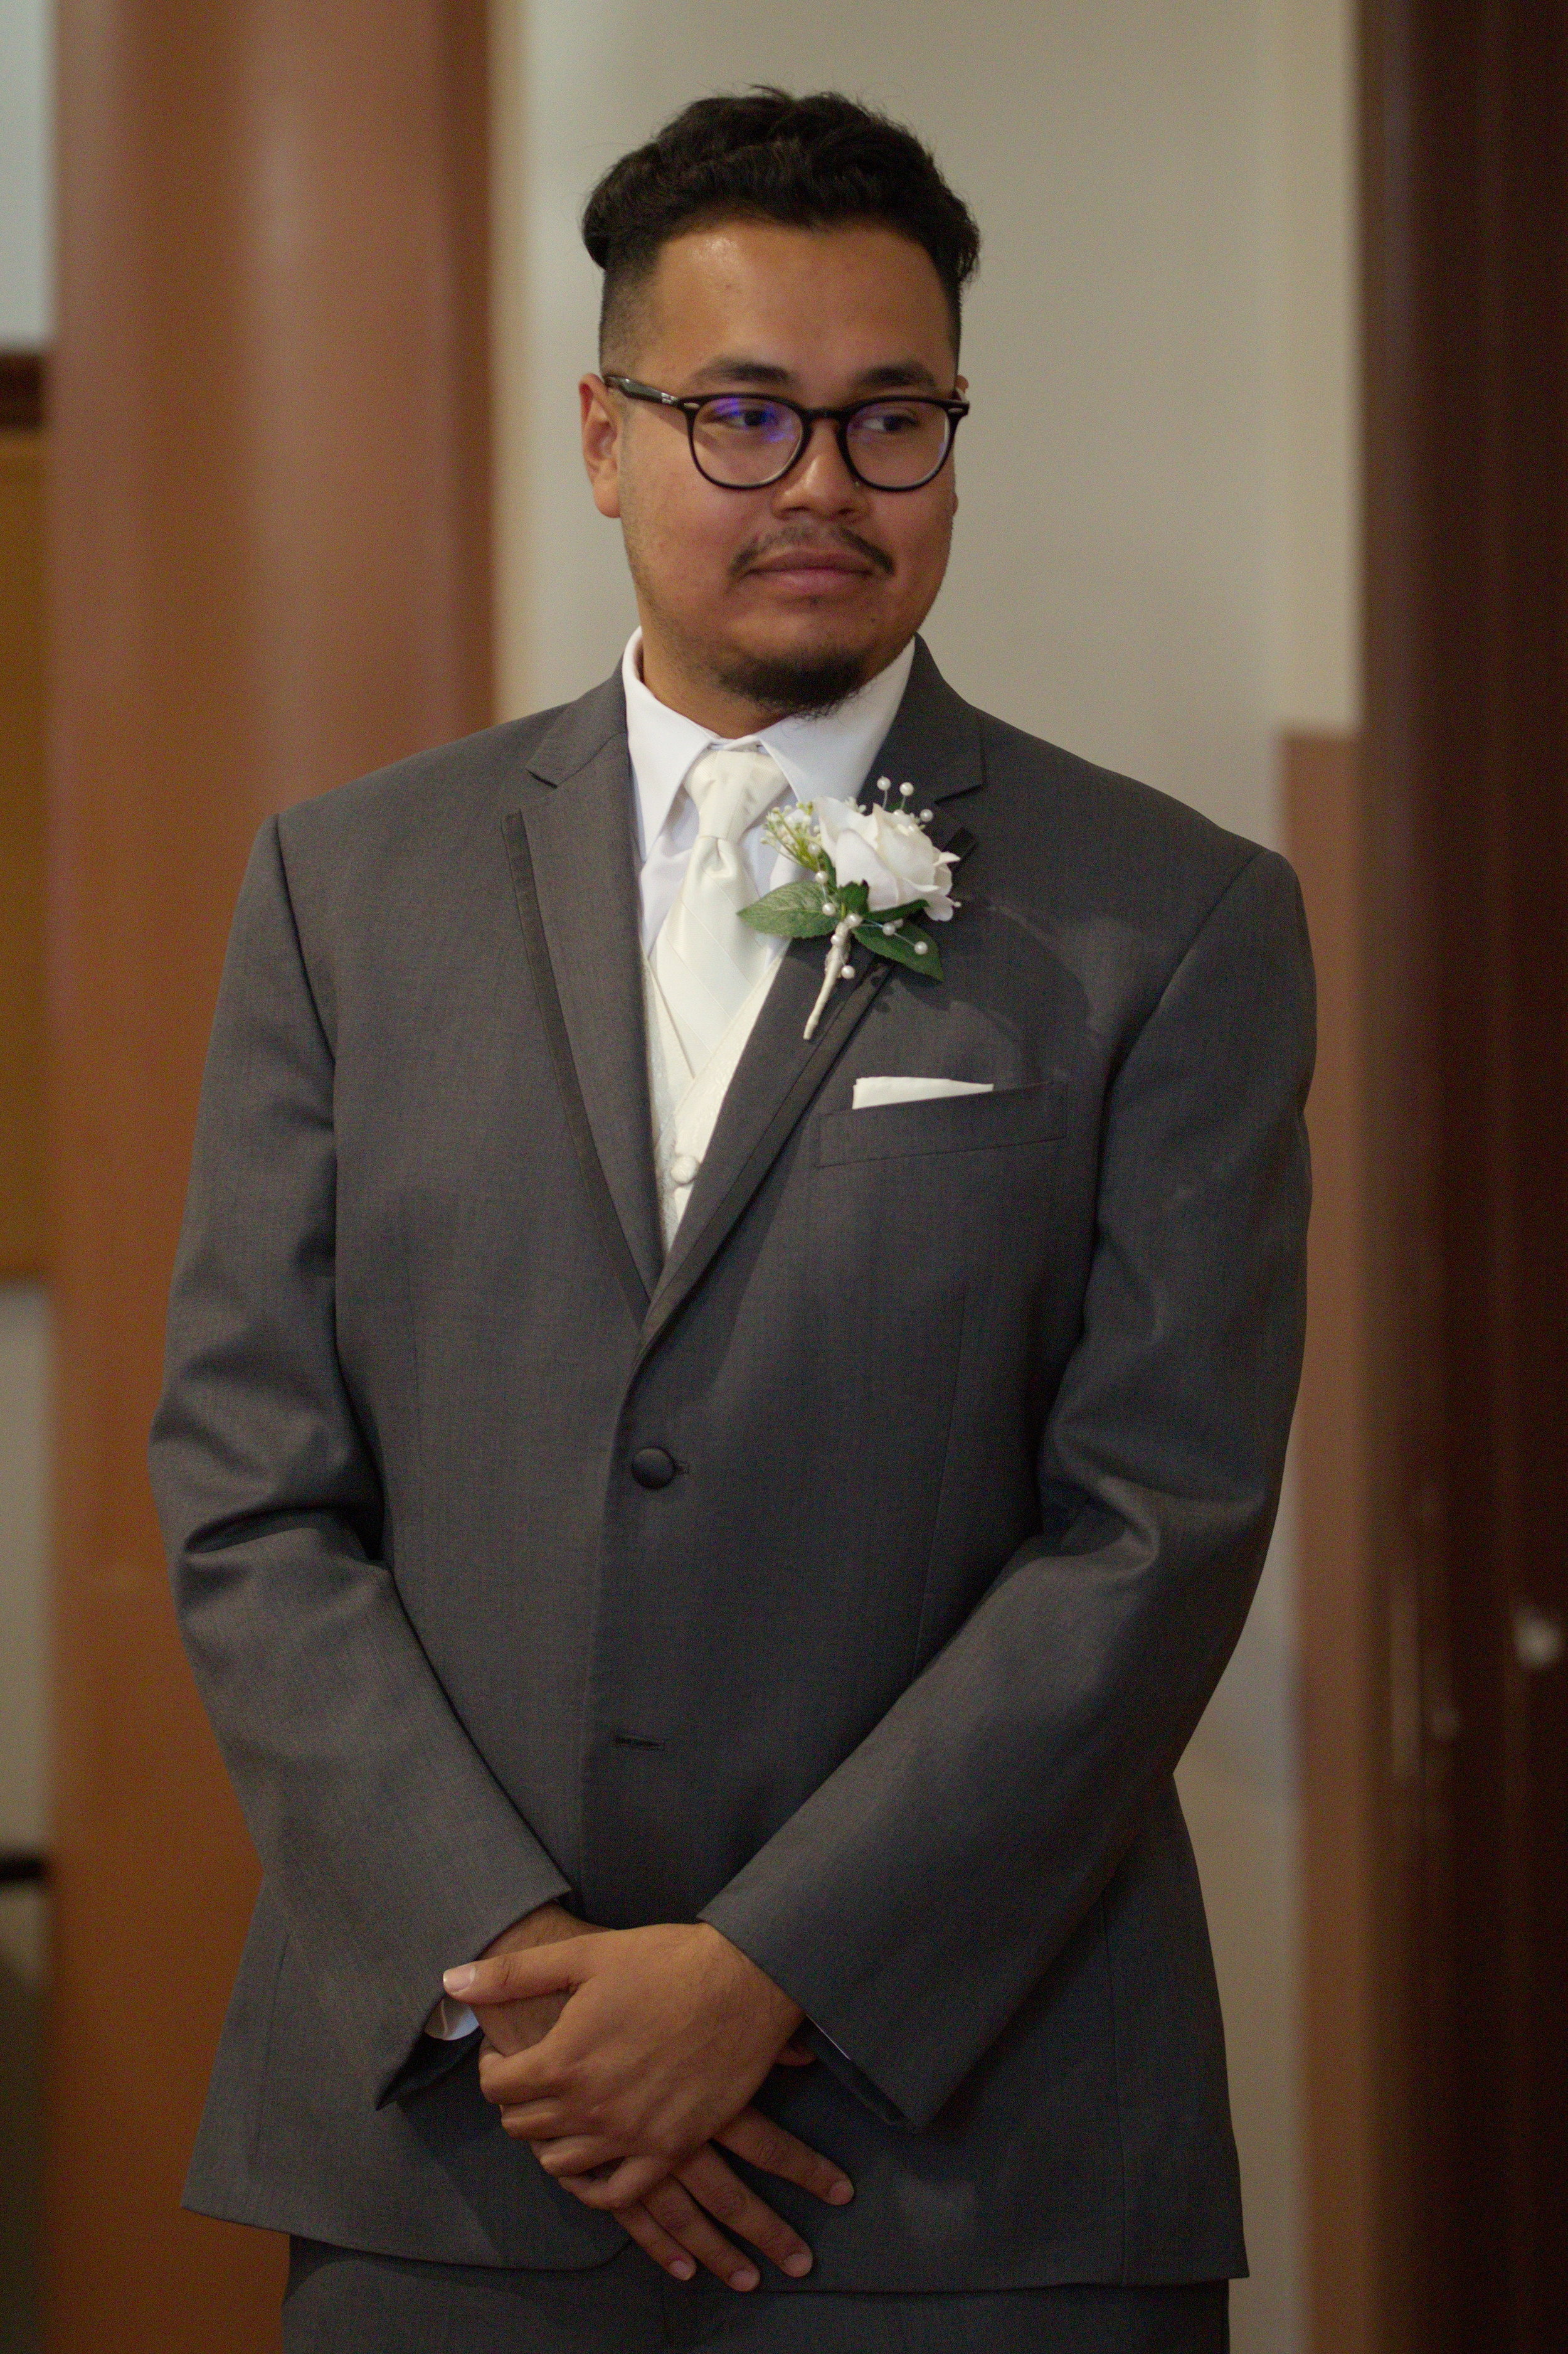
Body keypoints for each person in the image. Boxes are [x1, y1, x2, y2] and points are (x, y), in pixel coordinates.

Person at [152, 87, 1311, 2353]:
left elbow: (1154, 1522)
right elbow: (248, 1484)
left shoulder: (1169, 917)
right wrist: (524, 1975)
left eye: (893, 419)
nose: (820, 485)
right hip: (462, 2126)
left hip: (974, 2154)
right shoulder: (344, 889)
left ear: (953, 438)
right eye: (744, 413)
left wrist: (769, 1970)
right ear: (607, 438)